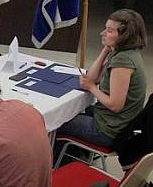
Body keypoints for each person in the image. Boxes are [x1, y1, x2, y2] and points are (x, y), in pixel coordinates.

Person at [58, 9, 148, 150]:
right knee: (66, 110)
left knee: (56, 121)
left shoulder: (123, 61)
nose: (102, 33)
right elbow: (91, 78)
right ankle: (71, 156)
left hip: (108, 130)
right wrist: (105, 50)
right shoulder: (121, 53)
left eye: (110, 31)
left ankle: (58, 164)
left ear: (125, 36)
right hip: (108, 119)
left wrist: (92, 88)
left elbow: (115, 105)